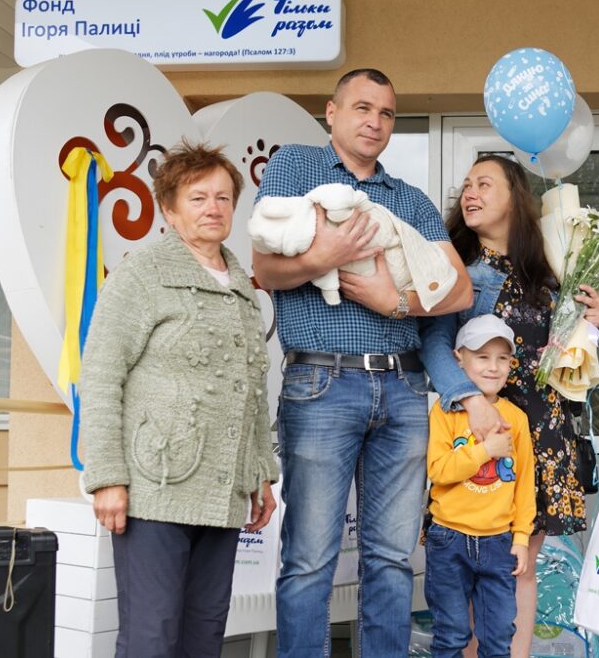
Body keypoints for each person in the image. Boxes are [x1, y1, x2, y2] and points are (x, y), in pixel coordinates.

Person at [252, 68, 472, 657]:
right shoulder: (295, 167)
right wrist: (325, 255)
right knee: (309, 560)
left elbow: (459, 291)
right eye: (362, 108)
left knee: (393, 560)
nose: (375, 122)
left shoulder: (410, 199)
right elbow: (264, 268)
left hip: (404, 386)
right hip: (320, 382)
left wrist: (393, 301)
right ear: (332, 112)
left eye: (386, 113)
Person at [79, 142, 279, 658]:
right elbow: (100, 376)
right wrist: (107, 477)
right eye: (198, 198)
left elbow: (251, 389)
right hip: (156, 487)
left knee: (204, 634)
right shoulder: (142, 274)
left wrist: (260, 471)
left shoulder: (242, 286)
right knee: (152, 635)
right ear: (169, 210)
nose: (213, 208)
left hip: (224, 492)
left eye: (223, 197)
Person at [418, 154, 599, 657]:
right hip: (480, 428)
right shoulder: (458, 271)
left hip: (542, 433)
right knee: (468, 567)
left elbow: (573, 352)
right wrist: (469, 403)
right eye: (466, 185)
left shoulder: (550, 272)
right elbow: (435, 345)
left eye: (484, 184)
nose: (470, 193)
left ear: (514, 199)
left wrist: (596, 322)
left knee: (517, 566)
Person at [425, 313, 536, 658]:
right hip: (449, 539)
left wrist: (521, 538)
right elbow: (439, 470)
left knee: (498, 637)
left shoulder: (516, 419)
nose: (493, 367)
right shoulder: (445, 412)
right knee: (451, 635)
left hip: (498, 543)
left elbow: (524, 484)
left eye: (502, 358)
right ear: (459, 359)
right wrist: (485, 451)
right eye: (483, 357)